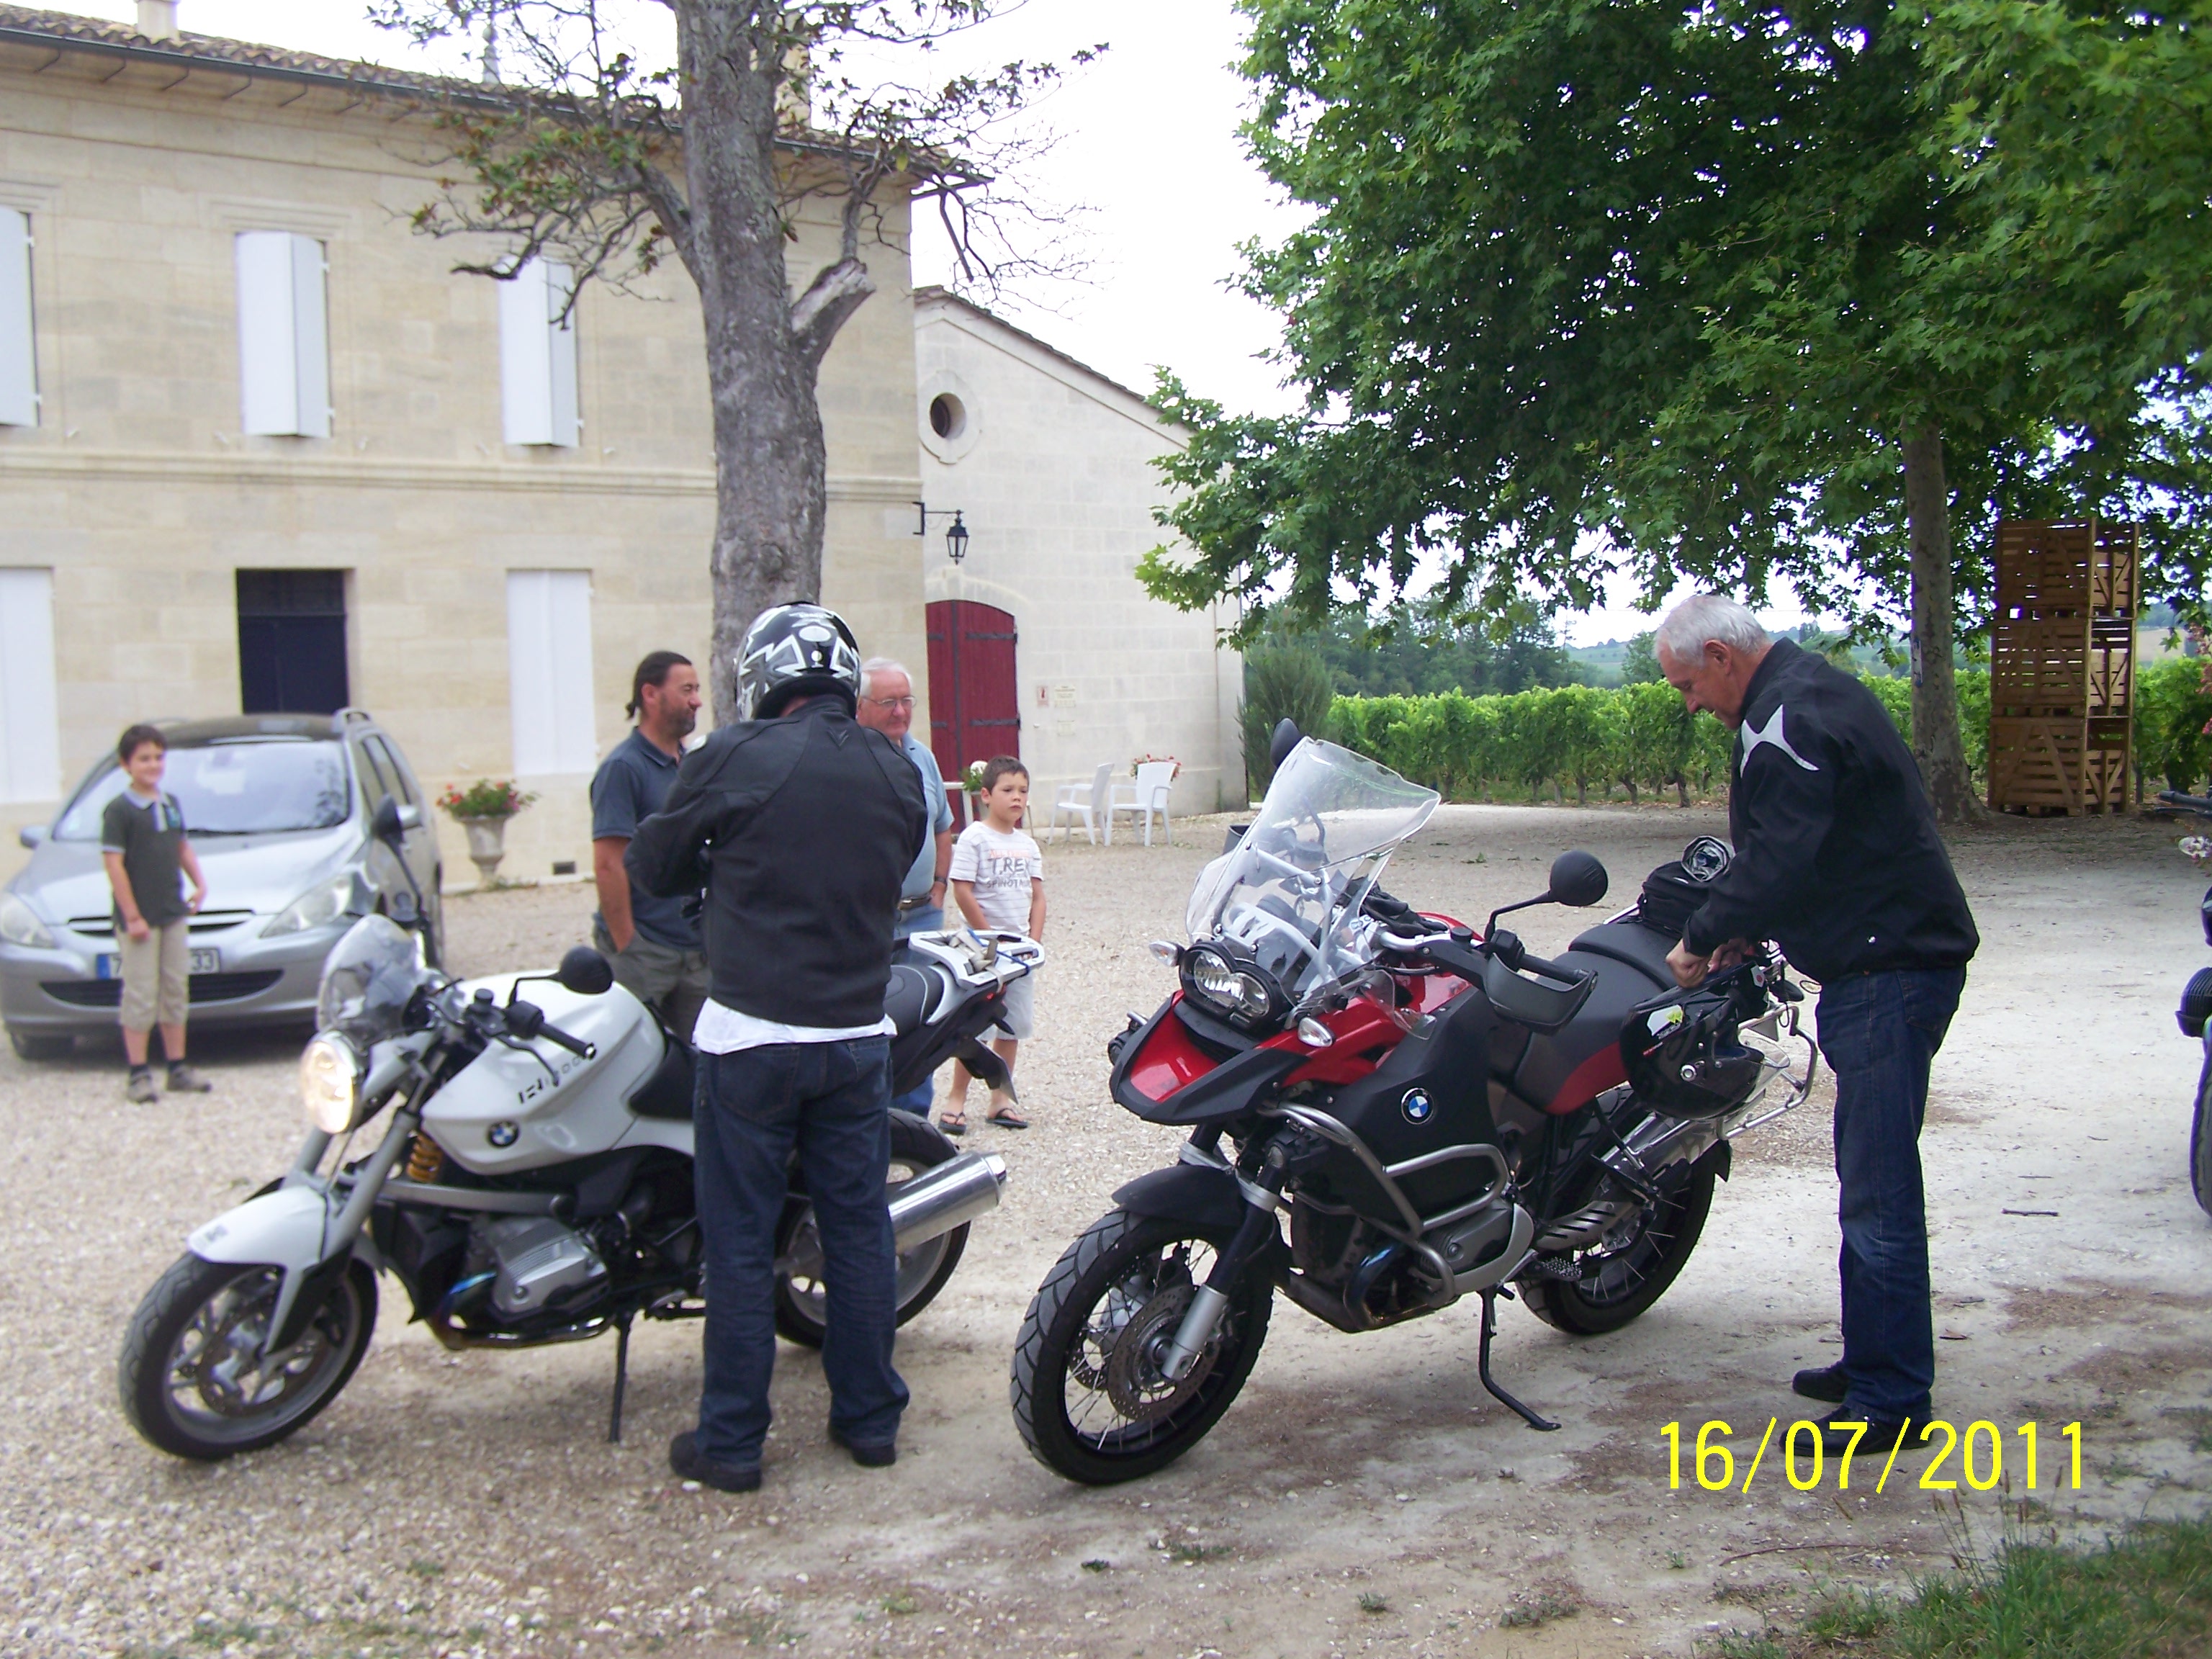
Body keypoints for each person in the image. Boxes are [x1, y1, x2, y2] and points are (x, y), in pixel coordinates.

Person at [1653, 593, 1978, 1454]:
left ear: (1721, 655)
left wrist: (1702, 936)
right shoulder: (1801, 696)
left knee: (1877, 1190)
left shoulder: (1788, 714)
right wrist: (1752, 929)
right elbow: (1813, 844)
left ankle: (1893, 1398)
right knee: (1865, 1173)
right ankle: (1874, 1356)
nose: (1689, 703)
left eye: (1688, 684)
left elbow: (1780, 853)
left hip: (1891, 970)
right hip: (1889, 961)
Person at [626, 604, 928, 1494]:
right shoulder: (896, 766)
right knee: (859, 1231)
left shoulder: (731, 755)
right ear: (839, 678)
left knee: (742, 1240)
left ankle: (732, 1443)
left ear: (762, 679)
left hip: (751, 1038)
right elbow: (899, 859)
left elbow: (655, 865)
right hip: (854, 1037)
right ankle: (871, 1423)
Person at [853, 658, 956, 1120]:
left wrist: (938, 887)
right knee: (866, 1023)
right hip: (868, 920)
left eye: (906, 700)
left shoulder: (922, 756)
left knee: (924, 1024)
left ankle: (913, 1126)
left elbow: (942, 827)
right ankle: (869, 1121)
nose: (900, 712)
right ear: (860, 707)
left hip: (923, 916)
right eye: (888, 702)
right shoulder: (849, 759)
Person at [590, 652, 710, 1040]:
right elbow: (609, 864)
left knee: (702, 1060)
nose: (697, 700)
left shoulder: (690, 765)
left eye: (697, 689)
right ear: (650, 694)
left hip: (695, 952)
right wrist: (628, 946)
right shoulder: (623, 769)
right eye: (687, 689)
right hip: (646, 952)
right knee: (636, 1059)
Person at [100, 724, 212, 1103]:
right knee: (140, 993)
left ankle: (177, 1066)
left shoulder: (170, 803)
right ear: (126, 764)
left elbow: (181, 847)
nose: (153, 765)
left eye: (158, 757)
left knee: (174, 989)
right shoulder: (119, 811)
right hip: (141, 919)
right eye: (144, 758)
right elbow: (114, 865)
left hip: (172, 912)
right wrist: (132, 915)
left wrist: (198, 882)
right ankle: (138, 1071)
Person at [943, 755, 1045, 1133]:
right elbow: (963, 891)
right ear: (986, 795)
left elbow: (1038, 897)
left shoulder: (1028, 845)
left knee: (1012, 1026)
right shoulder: (974, 838)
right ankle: (956, 1098)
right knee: (975, 1027)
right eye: (1007, 790)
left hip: (1019, 953)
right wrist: (988, 936)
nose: (1016, 798)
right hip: (984, 952)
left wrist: (1033, 942)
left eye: (1023, 791)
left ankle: (1001, 1098)